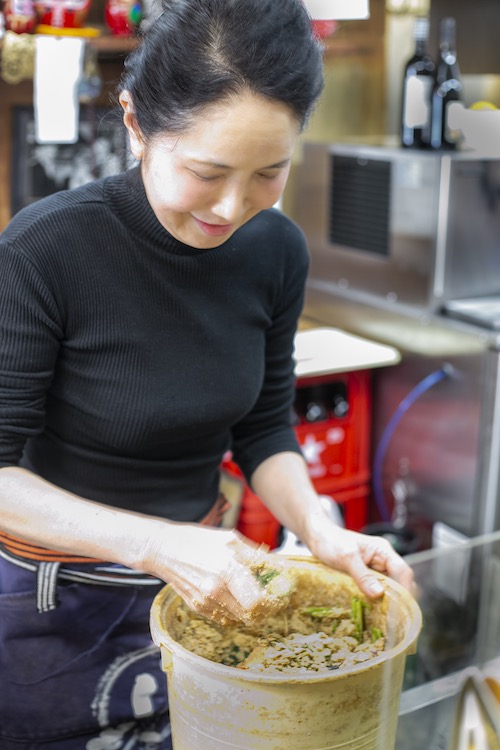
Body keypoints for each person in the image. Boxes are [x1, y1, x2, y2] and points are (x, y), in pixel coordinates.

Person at [0, 0, 413, 747]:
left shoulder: (276, 250)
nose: (233, 207)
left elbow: (262, 427)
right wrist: (158, 544)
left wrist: (321, 530)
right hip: (51, 603)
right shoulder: (46, 249)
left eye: (269, 173)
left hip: (210, 591)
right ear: (134, 124)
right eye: (206, 171)